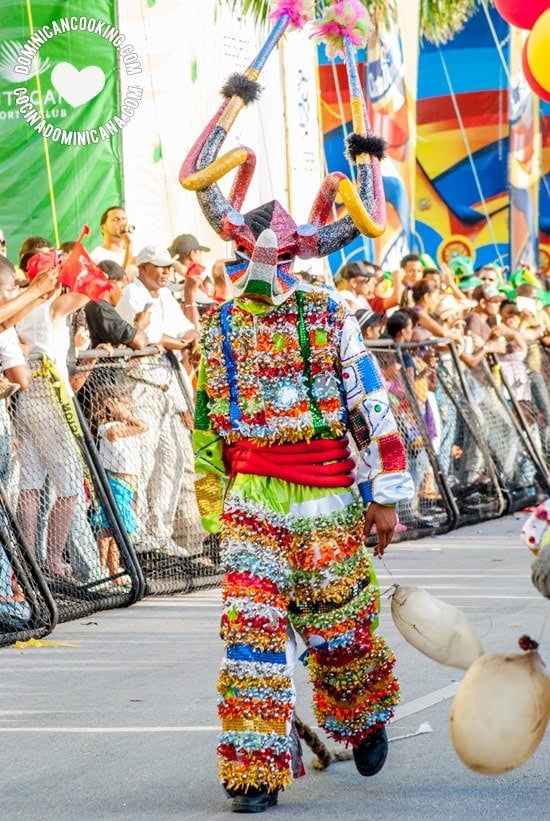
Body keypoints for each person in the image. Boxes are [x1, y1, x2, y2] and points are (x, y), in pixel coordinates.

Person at [116, 245, 202, 556]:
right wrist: (183, 342)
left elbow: (186, 328)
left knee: (173, 461)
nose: (166, 271)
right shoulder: (133, 294)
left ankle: (159, 532)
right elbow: (151, 337)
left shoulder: (164, 295)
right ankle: (137, 533)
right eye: (159, 266)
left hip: (169, 385)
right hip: (143, 384)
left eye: (168, 267)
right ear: (143, 267)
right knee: (144, 460)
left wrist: (191, 340)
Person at [90, 385, 147, 584]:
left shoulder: (125, 426)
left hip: (127, 486)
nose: (129, 405)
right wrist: (125, 415)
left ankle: (114, 571)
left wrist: (126, 415)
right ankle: (102, 568)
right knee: (108, 528)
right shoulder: (108, 427)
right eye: (124, 401)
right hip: (115, 483)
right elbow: (141, 427)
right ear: (110, 405)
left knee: (116, 530)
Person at [85, 260, 150, 350]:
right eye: (122, 287)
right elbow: (139, 342)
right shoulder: (102, 309)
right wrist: (140, 326)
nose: (122, 293)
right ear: (111, 283)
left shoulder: (97, 305)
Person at [90, 206, 135, 271]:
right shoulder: (96, 256)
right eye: (116, 219)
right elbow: (124, 278)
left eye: (124, 219)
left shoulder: (130, 253)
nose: (121, 223)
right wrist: (128, 244)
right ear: (102, 228)